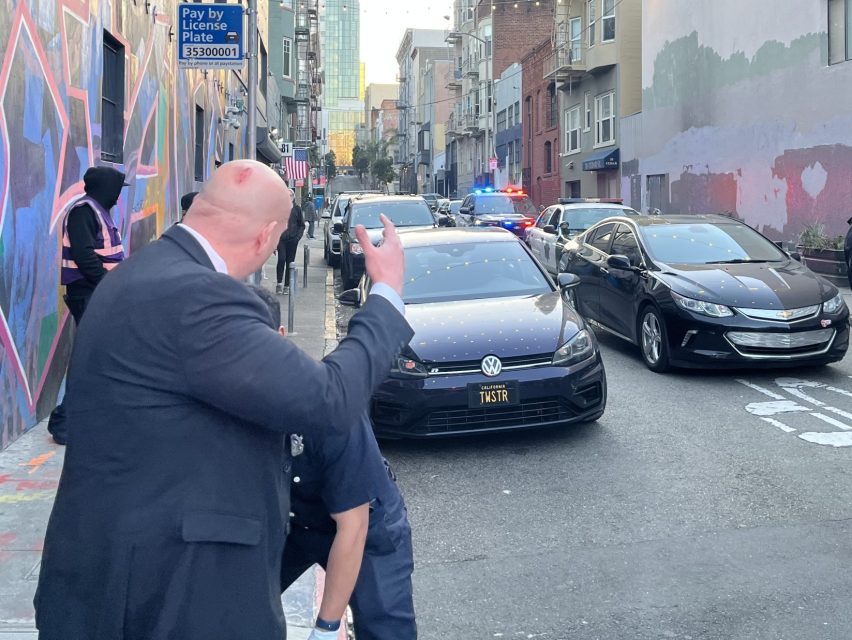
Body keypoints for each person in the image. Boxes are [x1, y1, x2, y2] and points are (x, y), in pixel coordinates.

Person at [34, 160, 414, 640]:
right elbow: (329, 400)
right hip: (168, 597)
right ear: (266, 237)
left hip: (111, 580)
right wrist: (385, 297)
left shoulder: (140, 275)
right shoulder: (197, 296)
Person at [250, 287, 416, 640]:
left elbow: (352, 527)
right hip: (289, 523)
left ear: (280, 338)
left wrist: (326, 626)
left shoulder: (327, 403)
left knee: (386, 628)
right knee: (224, 609)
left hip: (363, 524)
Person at [46, 166, 127, 445]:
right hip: (89, 292)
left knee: (96, 355)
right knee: (89, 356)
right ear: (106, 189)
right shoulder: (84, 211)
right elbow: (84, 255)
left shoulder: (96, 210)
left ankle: (77, 419)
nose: (118, 198)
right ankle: (64, 422)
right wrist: (106, 282)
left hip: (96, 291)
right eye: (116, 191)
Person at [277, 189, 305, 294]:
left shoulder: (297, 209)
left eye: (290, 195)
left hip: (292, 240)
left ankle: (287, 285)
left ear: (293, 197)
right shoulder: (280, 209)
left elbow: (301, 225)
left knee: (290, 262)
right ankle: (279, 282)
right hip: (281, 239)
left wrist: (298, 237)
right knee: (281, 259)